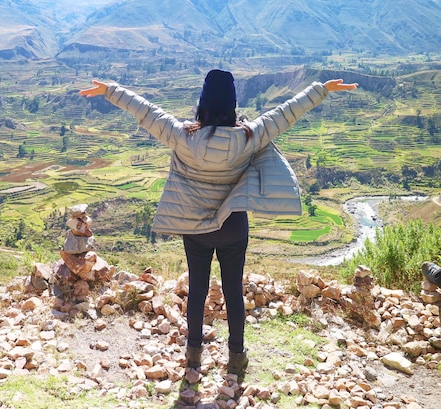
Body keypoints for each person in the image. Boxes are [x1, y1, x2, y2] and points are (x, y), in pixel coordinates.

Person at [80, 70, 357, 379]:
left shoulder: (182, 136)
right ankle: (236, 358)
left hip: (195, 229)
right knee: (233, 292)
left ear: (203, 105)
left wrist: (111, 90)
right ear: (233, 106)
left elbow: (146, 111)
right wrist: (321, 89)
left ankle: (194, 357)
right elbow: (286, 113)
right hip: (233, 227)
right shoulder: (249, 137)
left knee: (197, 290)